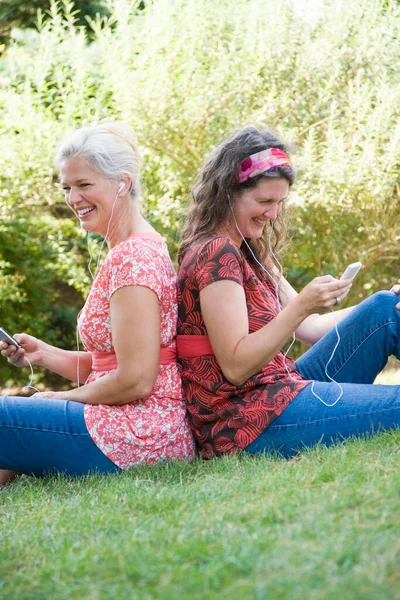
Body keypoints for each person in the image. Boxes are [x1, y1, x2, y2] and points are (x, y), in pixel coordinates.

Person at [176, 125, 400, 459]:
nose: (273, 214)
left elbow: (310, 328)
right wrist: (300, 307)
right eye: (264, 201)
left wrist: (380, 300)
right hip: (246, 421)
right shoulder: (215, 253)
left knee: (385, 309)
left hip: (282, 388)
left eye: (279, 201)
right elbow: (236, 366)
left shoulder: (251, 250)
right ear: (227, 193)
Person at [0, 121, 195, 486]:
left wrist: (59, 399)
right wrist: (44, 355)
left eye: (84, 185)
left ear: (123, 183)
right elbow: (112, 365)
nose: (73, 198)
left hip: (140, 430)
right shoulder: (128, 250)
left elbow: (136, 380)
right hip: (128, 420)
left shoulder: (134, 257)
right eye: (67, 187)